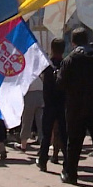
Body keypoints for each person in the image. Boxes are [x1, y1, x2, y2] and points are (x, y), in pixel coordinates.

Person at [56, 27, 93, 187]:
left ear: (73, 42)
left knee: (74, 143)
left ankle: (71, 174)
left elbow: (60, 84)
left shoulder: (70, 60)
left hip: (76, 108)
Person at [36, 38, 68, 172]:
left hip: (49, 104)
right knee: (64, 134)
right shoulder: (66, 64)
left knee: (46, 134)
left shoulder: (47, 66)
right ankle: (68, 161)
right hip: (62, 104)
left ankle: (43, 160)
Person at [18, 63, 44, 152]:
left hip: (29, 95)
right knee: (41, 122)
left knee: (27, 120)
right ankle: (43, 145)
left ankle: (23, 144)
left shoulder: (25, 73)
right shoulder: (38, 73)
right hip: (41, 94)